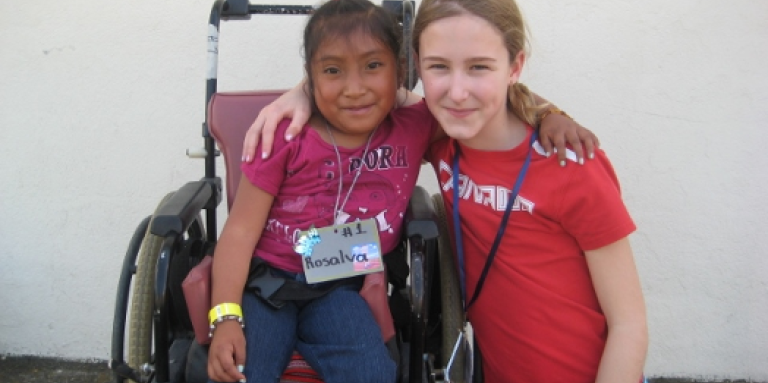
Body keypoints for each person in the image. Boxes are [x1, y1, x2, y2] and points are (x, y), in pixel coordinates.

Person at [241, 0, 648, 382]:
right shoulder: (442, 139)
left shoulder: (570, 165)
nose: (456, 92)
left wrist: (551, 113)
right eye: (439, 67)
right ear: (415, 66)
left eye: (479, 67)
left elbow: (629, 323)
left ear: (515, 66)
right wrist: (303, 91)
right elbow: (359, 85)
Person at [206, 1, 435, 382]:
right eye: (332, 71)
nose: (354, 88)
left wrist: (545, 115)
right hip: (270, 284)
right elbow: (240, 232)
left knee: (373, 374)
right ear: (310, 80)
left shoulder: (415, 126)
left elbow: (481, 115)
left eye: (373, 66)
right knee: (242, 371)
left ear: (400, 71)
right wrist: (225, 317)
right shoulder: (285, 136)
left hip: (341, 287)